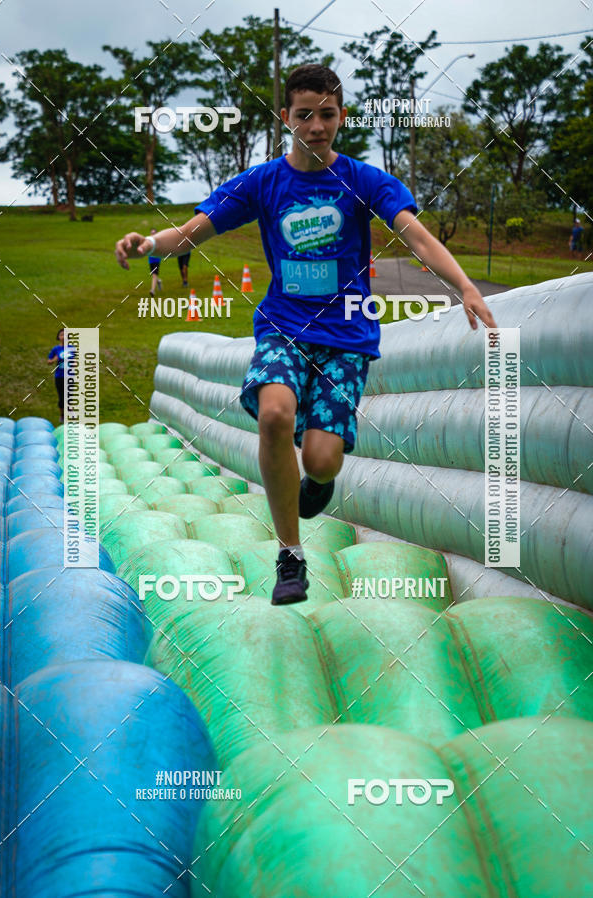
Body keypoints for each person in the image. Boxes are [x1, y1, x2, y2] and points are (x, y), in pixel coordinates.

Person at [115, 63, 497, 605]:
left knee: (320, 459)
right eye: (304, 115)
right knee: (273, 414)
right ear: (284, 117)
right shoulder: (262, 182)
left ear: (341, 116)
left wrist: (465, 286)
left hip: (346, 336)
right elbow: (194, 232)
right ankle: (290, 555)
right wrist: (150, 243)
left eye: (327, 114)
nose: (316, 126)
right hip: (283, 326)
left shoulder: (364, 181)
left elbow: (416, 237)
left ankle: (319, 479)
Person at [47, 328, 66, 424]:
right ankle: (62, 415)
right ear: (58, 337)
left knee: (70, 397)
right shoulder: (56, 349)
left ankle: (71, 415)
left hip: (70, 376)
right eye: (62, 334)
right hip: (59, 376)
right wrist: (54, 359)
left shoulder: (72, 348)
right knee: (61, 397)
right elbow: (48, 361)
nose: (64, 336)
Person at [148, 227, 162, 296]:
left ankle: (152, 290)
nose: (153, 234)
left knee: (154, 275)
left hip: (157, 260)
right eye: (152, 233)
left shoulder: (158, 242)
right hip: (151, 260)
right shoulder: (148, 241)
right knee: (153, 274)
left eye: (154, 233)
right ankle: (158, 281)